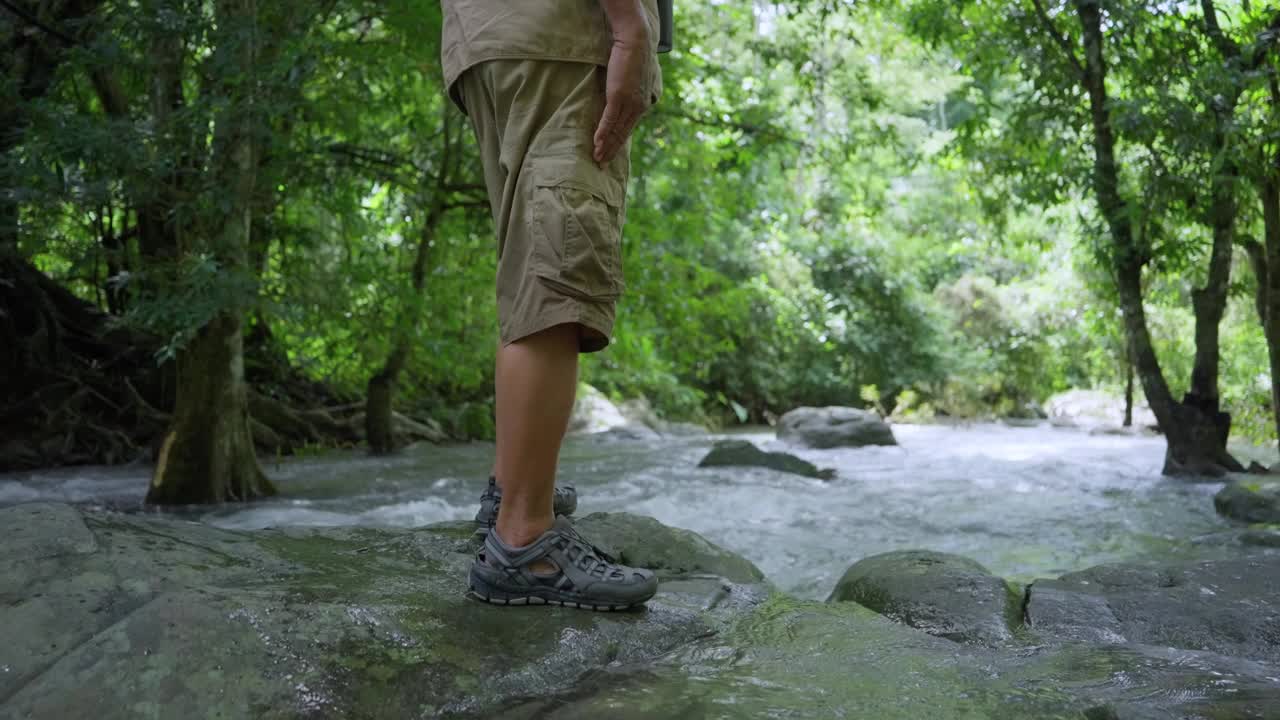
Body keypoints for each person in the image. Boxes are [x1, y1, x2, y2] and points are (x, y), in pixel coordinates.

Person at [440, 0, 665, 610]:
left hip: (489, 35)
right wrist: (628, 21)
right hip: (558, 35)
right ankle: (524, 542)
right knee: (559, 279)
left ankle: (510, 496)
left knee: (532, 266)